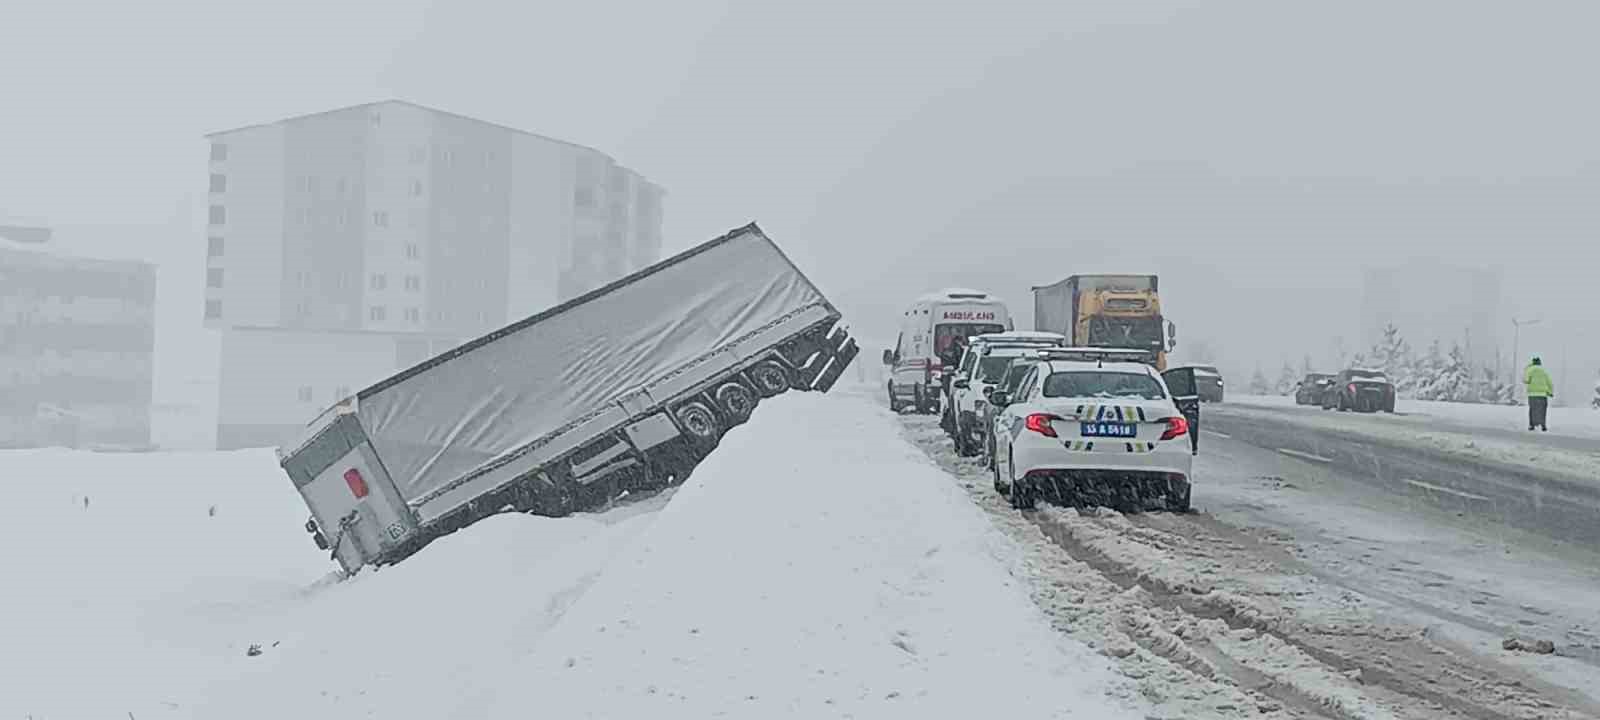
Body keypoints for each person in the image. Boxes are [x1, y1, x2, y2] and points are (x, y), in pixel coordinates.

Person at [1523, 356, 1554, 431]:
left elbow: (1526, 380)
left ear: (1533, 362)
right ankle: (1543, 425)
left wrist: (1527, 368)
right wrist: (1550, 392)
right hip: (1542, 394)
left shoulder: (1530, 370)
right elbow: (1549, 382)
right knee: (1542, 410)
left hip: (1532, 394)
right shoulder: (1544, 371)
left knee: (1532, 410)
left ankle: (1532, 425)